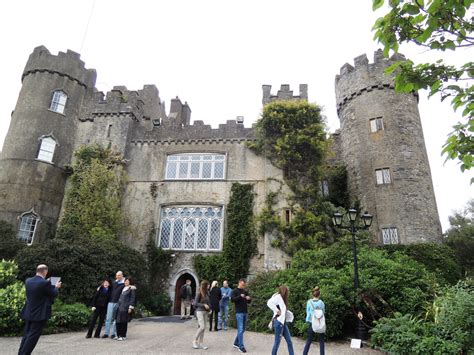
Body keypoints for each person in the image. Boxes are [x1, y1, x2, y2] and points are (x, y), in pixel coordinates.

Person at [18, 264, 61, 355]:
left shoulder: (28, 281)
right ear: (45, 272)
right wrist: (56, 287)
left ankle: (21, 353)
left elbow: (38, 291)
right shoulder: (45, 283)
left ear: (37, 270)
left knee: (26, 335)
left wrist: (47, 282)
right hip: (39, 314)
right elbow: (53, 294)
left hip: (29, 312)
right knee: (33, 336)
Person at [267, 285, 294, 355]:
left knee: (289, 341)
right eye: (287, 291)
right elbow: (269, 303)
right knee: (277, 343)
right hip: (279, 323)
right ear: (284, 291)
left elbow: (282, 309)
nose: (288, 293)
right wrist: (277, 310)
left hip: (283, 323)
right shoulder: (277, 297)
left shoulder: (281, 298)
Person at [303, 286, 325, 355]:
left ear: (313, 294)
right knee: (321, 341)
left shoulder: (309, 302)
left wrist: (308, 320)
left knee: (309, 341)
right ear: (319, 294)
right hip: (320, 323)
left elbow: (308, 313)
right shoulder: (321, 303)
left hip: (311, 323)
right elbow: (323, 312)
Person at [103, 271, 125, 339]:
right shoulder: (114, 283)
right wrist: (100, 287)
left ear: (122, 276)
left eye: (119, 275)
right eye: (116, 275)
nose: (117, 277)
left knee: (115, 319)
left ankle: (114, 334)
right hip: (110, 302)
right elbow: (106, 285)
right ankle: (106, 333)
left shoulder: (124, 283)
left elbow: (130, 285)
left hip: (117, 303)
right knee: (108, 318)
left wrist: (132, 286)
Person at [231, 278, 251, 353]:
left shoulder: (245, 291)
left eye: (244, 285)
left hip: (245, 312)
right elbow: (232, 300)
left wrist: (249, 299)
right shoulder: (234, 291)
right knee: (240, 329)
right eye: (242, 284)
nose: (243, 286)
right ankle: (241, 346)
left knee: (243, 329)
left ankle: (236, 343)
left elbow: (248, 302)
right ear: (239, 283)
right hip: (239, 312)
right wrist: (240, 296)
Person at [193, 280, 210, 350]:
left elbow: (209, 302)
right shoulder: (199, 293)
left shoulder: (207, 293)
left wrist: (209, 309)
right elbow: (195, 303)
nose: (209, 286)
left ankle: (201, 343)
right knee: (202, 327)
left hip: (206, 312)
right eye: (208, 285)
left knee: (203, 329)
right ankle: (194, 340)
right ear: (205, 286)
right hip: (199, 311)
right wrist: (204, 305)